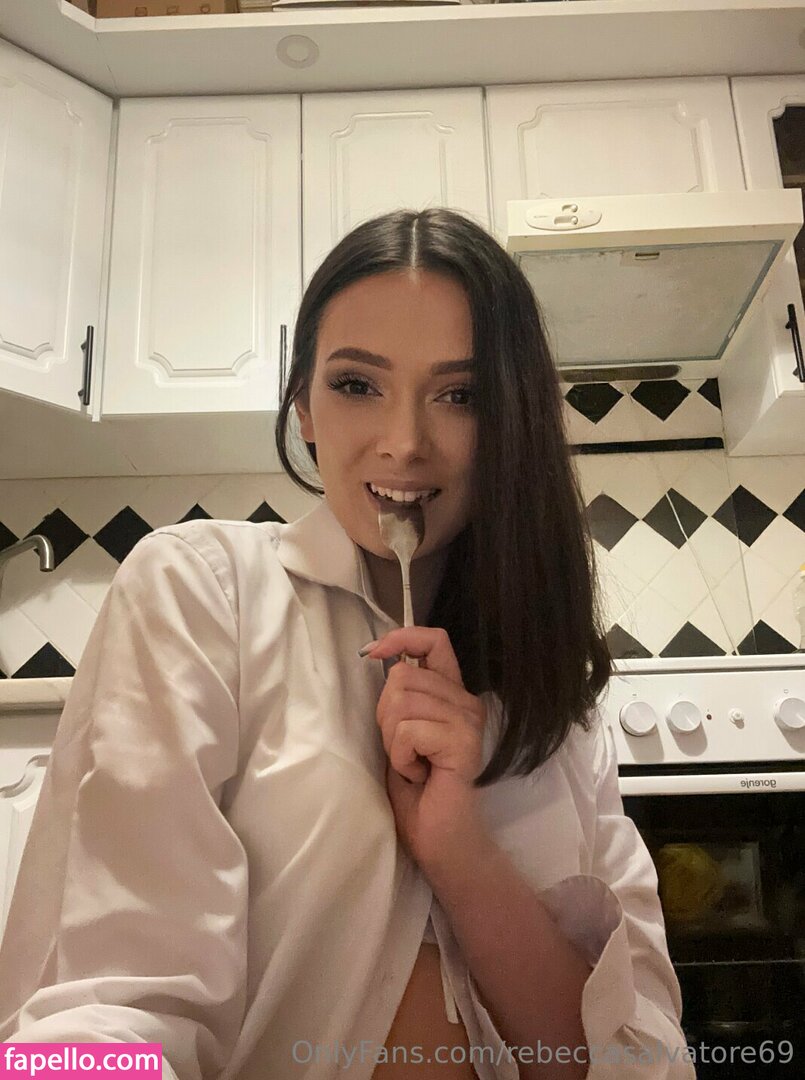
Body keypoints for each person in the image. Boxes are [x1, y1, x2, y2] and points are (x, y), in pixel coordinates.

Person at [0, 208, 696, 1080]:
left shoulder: (561, 714)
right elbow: (114, 1001)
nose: (403, 443)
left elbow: (636, 1063)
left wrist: (460, 850)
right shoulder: (204, 592)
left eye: (461, 395)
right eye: (358, 384)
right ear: (304, 407)